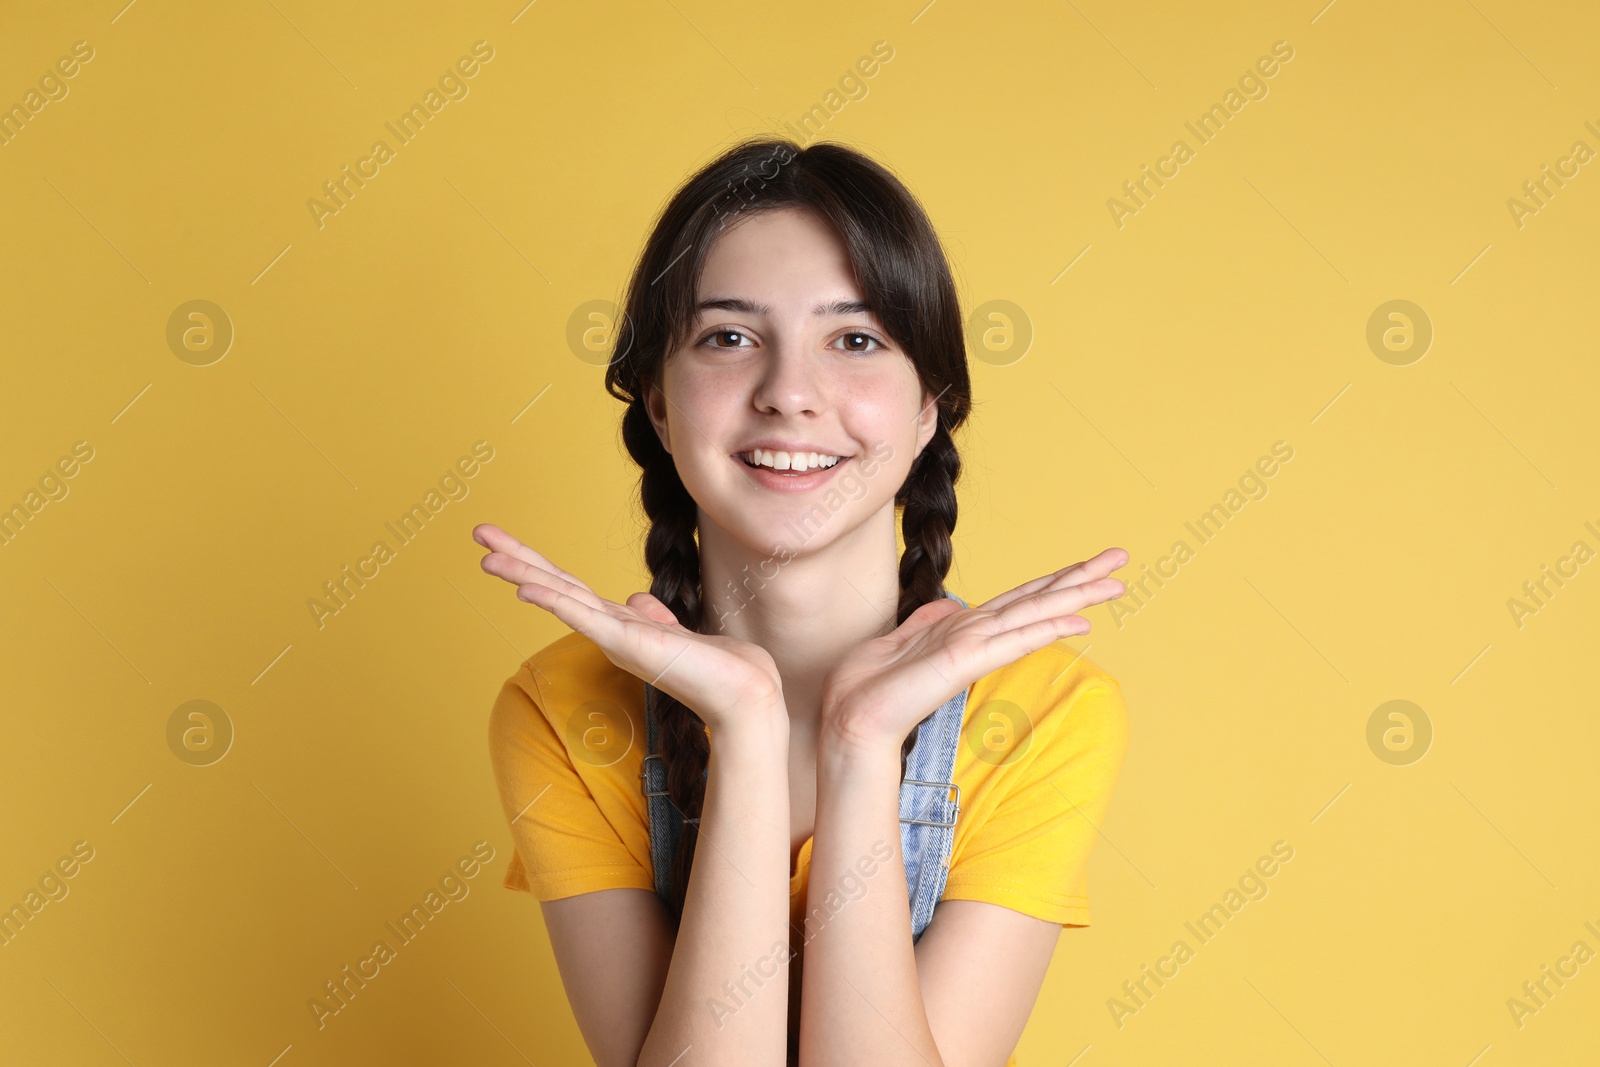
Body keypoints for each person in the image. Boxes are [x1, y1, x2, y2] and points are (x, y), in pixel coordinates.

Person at [478, 137, 1130, 1067]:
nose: (789, 394)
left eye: (855, 339)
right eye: (729, 337)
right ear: (659, 406)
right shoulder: (563, 711)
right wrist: (742, 725)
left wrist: (861, 744)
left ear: (926, 409)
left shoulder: (1043, 713)